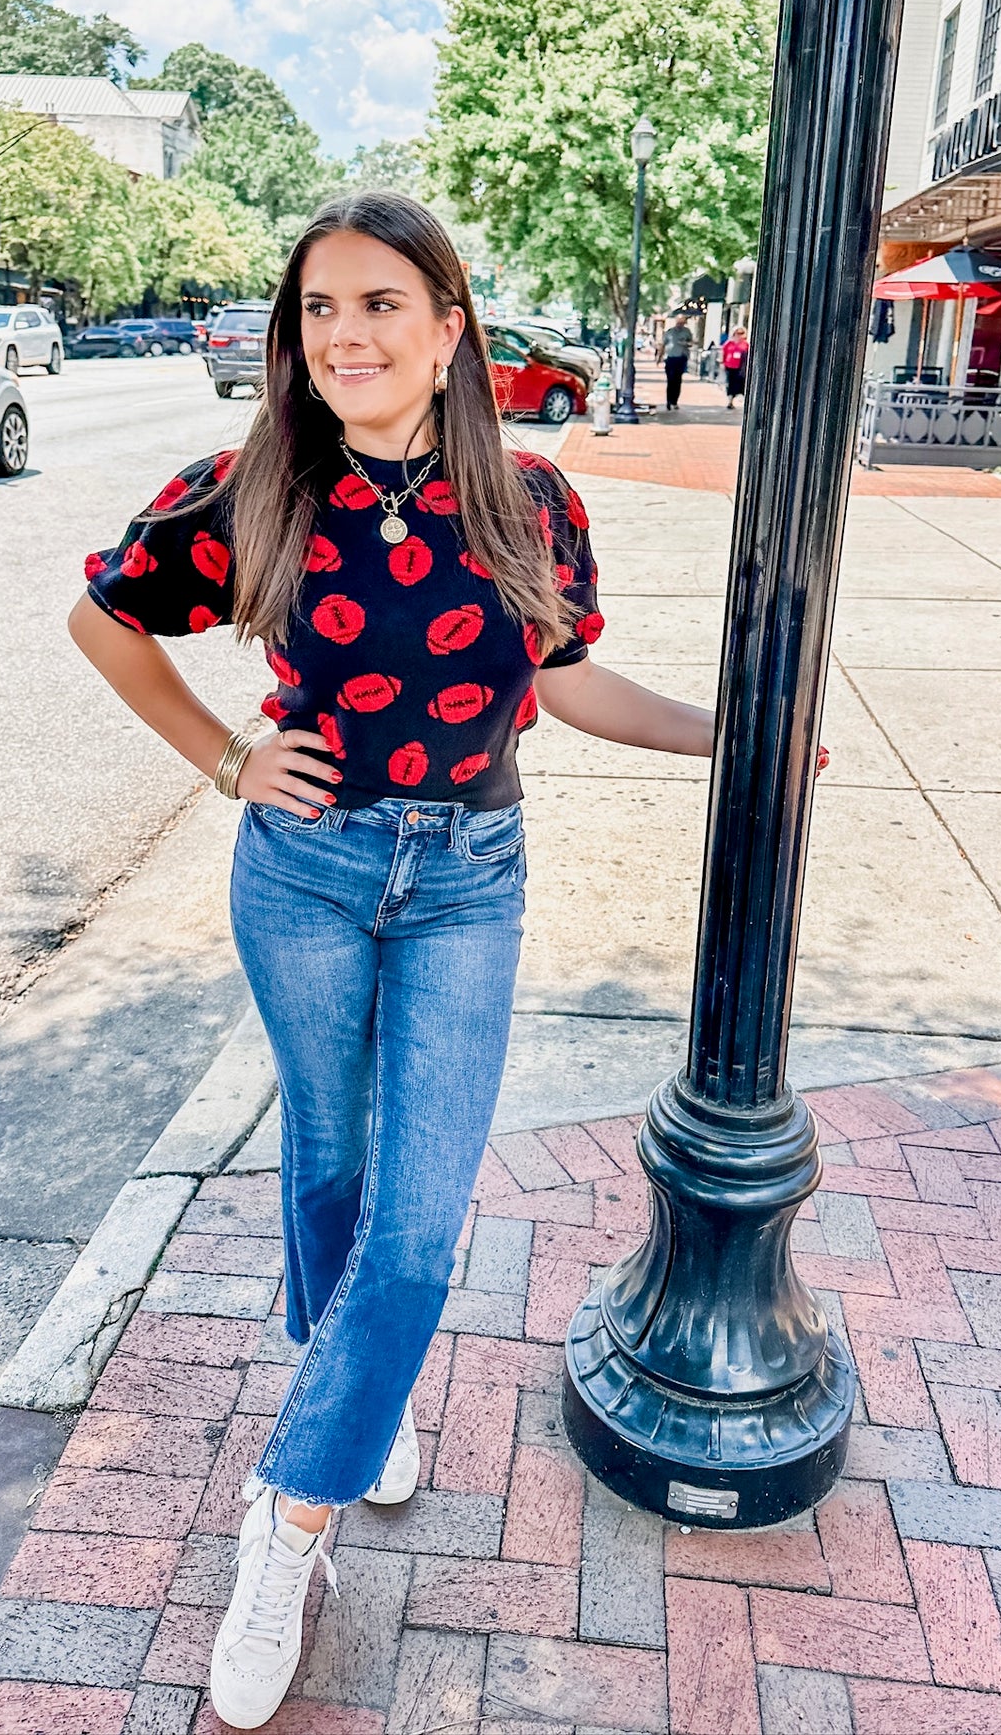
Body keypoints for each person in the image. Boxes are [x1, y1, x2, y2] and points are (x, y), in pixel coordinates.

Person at [69, 192, 715, 1731]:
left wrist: (726, 733)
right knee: (328, 1159)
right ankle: (363, 1404)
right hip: (303, 868)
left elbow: (559, 684)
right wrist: (231, 758)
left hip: (465, 878)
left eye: (377, 303)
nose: (342, 334)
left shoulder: (532, 501)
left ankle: (290, 1515)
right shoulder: (253, 490)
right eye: (316, 309)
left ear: (449, 324)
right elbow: (106, 620)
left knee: (418, 1226)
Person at [661, 314, 694, 409]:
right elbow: (663, 344)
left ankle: (674, 401)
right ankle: (668, 401)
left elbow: (691, 343)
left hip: (681, 358)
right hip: (670, 358)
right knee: (670, 380)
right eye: (679, 322)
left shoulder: (687, 332)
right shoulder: (669, 332)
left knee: (677, 380)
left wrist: (686, 344)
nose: (680, 324)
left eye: (682, 323)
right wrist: (659, 357)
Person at [721, 325, 750, 409]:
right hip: (730, 366)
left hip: (740, 367)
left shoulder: (745, 344)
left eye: (741, 333)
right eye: (737, 333)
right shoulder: (729, 343)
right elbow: (723, 352)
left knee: (740, 383)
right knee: (730, 383)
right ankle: (730, 400)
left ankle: (740, 399)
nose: (739, 335)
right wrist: (722, 363)